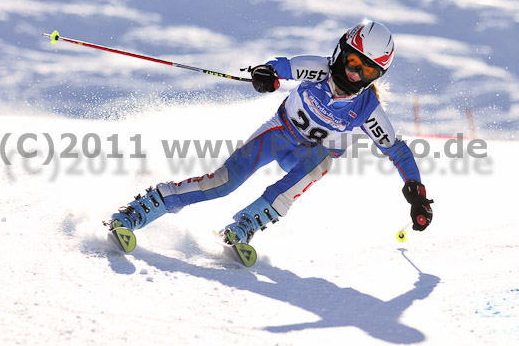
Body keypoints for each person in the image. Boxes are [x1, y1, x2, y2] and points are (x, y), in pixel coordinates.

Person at [108, 20, 434, 245]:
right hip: (278, 134)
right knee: (223, 183)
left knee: (322, 161)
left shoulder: (366, 108)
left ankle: (247, 223)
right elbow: (284, 65)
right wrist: (267, 74)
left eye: (367, 70)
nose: (354, 72)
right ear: (340, 51)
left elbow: (398, 151)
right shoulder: (319, 69)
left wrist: (417, 193)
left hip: (308, 157)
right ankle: (146, 206)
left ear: (377, 75)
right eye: (352, 61)